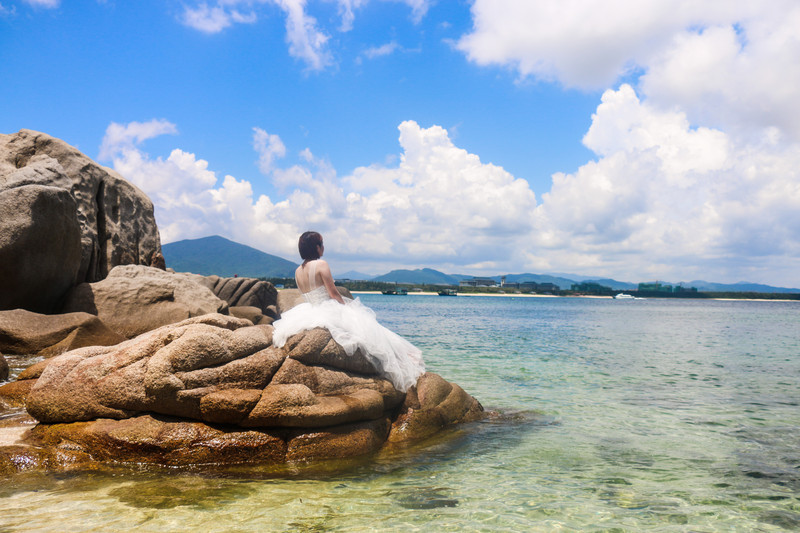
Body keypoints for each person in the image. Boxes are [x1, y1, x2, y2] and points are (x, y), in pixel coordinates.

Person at [272, 231, 425, 392]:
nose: (323, 247)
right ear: (316, 247)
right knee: (371, 330)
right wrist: (347, 308)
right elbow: (333, 293)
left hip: (309, 309)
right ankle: (405, 359)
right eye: (321, 244)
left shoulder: (297, 271)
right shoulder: (321, 264)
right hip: (326, 308)